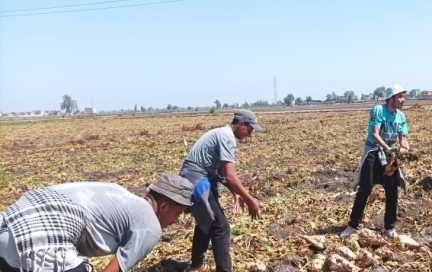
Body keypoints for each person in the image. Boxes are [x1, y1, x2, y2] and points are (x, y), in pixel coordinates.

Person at [0, 174, 193, 272]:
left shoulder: (119, 193)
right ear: (165, 205)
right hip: (41, 238)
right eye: (178, 213)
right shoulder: (150, 225)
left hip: (9, 223)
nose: (176, 221)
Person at [179, 109, 264, 272]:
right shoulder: (227, 137)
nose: (250, 134)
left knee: (207, 221)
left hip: (199, 177)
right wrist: (249, 199)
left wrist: (236, 193)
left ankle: (195, 266)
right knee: (220, 227)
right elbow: (230, 175)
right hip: (197, 179)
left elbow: (219, 172)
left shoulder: (221, 133)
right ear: (241, 124)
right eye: (250, 129)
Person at [341, 85, 410, 239]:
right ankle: (353, 225)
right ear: (391, 98)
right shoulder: (378, 110)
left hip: (389, 156)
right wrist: (388, 148)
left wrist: (404, 148)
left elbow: (403, 139)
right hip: (373, 151)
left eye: (403, 96)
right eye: (400, 97)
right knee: (365, 188)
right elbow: (375, 134)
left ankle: (389, 227)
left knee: (392, 190)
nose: (403, 100)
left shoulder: (401, 116)